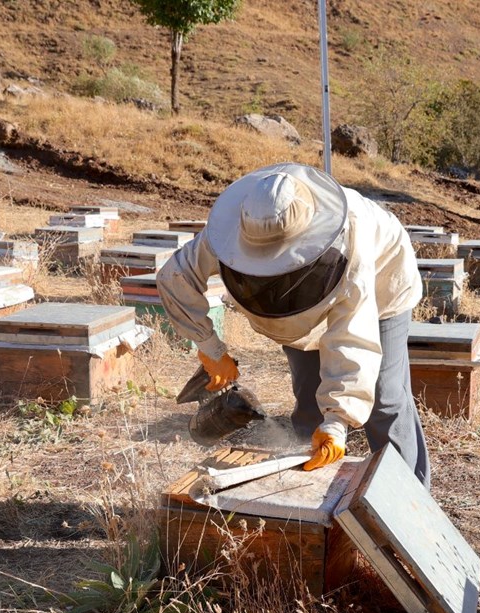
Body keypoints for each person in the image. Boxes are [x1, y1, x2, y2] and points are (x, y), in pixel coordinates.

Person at [157, 162, 430, 486]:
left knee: (384, 399)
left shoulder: (351, 245)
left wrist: (337, 422)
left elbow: (353, 340)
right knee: (308, 395)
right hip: (301, 311)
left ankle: (408, 495)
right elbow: (175, 277)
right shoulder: (233, 231)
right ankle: (308, 497)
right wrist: (211, 349)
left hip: (383, 285)